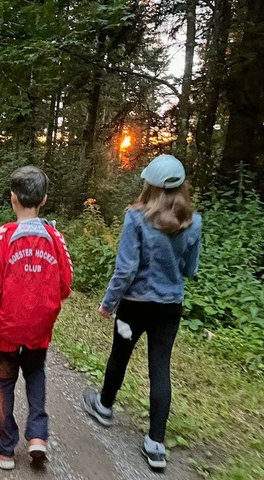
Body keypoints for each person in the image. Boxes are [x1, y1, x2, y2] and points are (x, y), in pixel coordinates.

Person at [82, 154, 201, 471]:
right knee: (160, 368)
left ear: (149, 185)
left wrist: (108, 304)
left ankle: (104, 407)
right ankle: (156, 445)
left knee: (119, 355)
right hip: (169, 308)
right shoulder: (194, 222)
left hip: (134, 305)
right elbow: (191, 269)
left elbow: (126, 269)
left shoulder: (136, 218)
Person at [0, 166, 73, 470]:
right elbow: (66, 281)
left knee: (3, 381)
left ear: (13, 198)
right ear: (44, 199)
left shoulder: (3, 236)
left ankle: (4, 448)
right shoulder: (55, 237)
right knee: (36, 373)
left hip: (5, 330)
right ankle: (38, 436)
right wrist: (46, 305)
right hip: (39, 328)